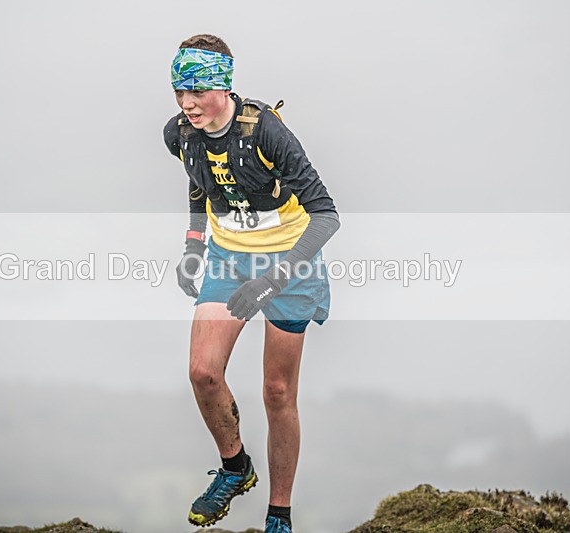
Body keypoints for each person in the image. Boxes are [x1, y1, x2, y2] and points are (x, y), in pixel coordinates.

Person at [163, 34, 340, 533]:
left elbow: (326, 217)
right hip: (228, 258)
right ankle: (235, 467)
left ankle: (278, 514)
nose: (186, 103)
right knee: (203, 373)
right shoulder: (179, 132)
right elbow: (199, 180)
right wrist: (195, 245)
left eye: (196, 91)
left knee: (277, 391)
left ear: (222, 85)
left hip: (291, 262)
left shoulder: (266, 132)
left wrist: (270, 282)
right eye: (179, 91)